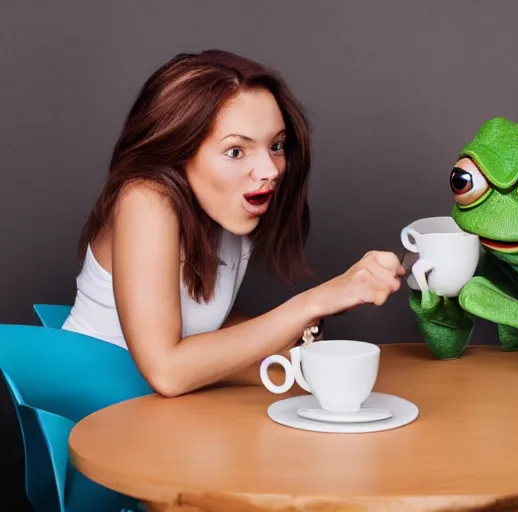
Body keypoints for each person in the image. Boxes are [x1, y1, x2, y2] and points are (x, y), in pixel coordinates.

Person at [62, 49, 405, 397]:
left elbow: (207, 328)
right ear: (179, 150)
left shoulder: (226, 209)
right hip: (91, 415)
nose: (270, 171)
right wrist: (314, 302)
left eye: (276, 145)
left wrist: (304, 334)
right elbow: (167, 371)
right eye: (236, 151)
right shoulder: (145, 198)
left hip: (161, 417)